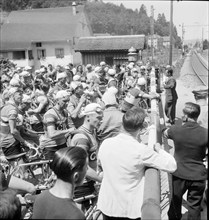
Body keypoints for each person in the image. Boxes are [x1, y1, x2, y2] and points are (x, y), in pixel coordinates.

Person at [97, 106, 177, 220]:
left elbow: (100, 168)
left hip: (107, 206)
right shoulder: (141, 150)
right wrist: (159, 150)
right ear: (143, 127)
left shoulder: (105, 143)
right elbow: (171, 165)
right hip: (129, 209)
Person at [162, 102, 208, 220]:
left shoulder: (176, 130)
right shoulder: (205, 133)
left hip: (179, 174)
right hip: (198, 176)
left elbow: (165, 133)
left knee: (175, 202)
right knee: (194, 206)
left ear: (186, 117)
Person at [32, 147, 88, 219]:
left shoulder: (41, 197)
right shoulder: (75, 215)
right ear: (76, 176)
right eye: (86, 167)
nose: (87, 170)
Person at [70, 103, 103, 199]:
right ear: (88, 117)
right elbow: (81, 166)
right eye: (98, 118)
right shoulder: (82, 137)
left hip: (90, 181)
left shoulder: (91, 132)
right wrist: (101, 179)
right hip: (82, 185)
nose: (101, 121)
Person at [40, 90, 75, 159]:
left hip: (62, 144)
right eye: (64, 101)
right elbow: (52, 134)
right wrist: (68, 130)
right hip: (51, 147)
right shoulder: (50, 114)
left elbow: (68, 126)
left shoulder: (64, 111)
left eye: (68, 101)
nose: (67, 103)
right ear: (57, 100)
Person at [0, 87, 31, 161]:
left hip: (9, 142)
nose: (22, 97)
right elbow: (13, 131)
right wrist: (24, 142)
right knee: (21, 170)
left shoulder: (7, 106)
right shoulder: (12, 109)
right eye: (19, 94)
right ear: (12, 95)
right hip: (10, 143)